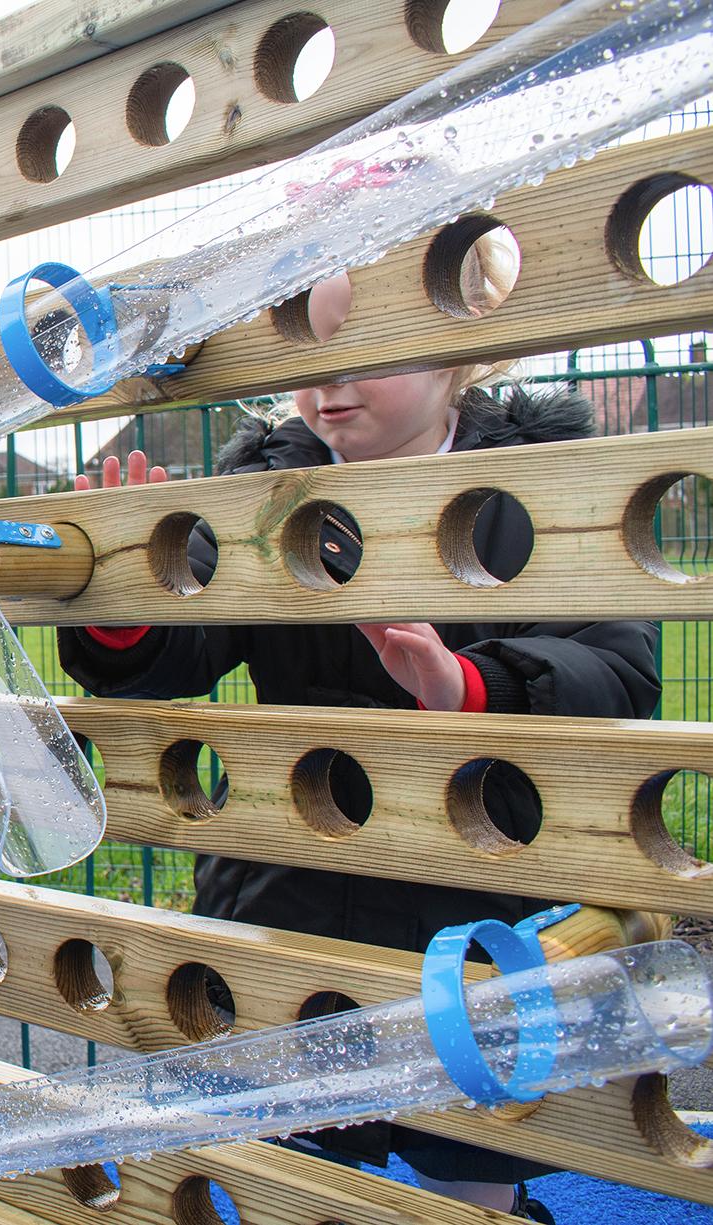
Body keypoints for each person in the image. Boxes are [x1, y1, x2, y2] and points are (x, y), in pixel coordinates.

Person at [60, 358, 658, 1220]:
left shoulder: (534, 486)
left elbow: (616, 666)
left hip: (477, 884)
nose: (325, 388)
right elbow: (181, 638)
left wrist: (465, 684)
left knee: (470, 1143)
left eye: (365, 360)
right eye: (308, 364)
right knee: (294, 1148)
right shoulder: (268, 489)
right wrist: (126, 601)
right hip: (295, 879)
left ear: (454, 354)